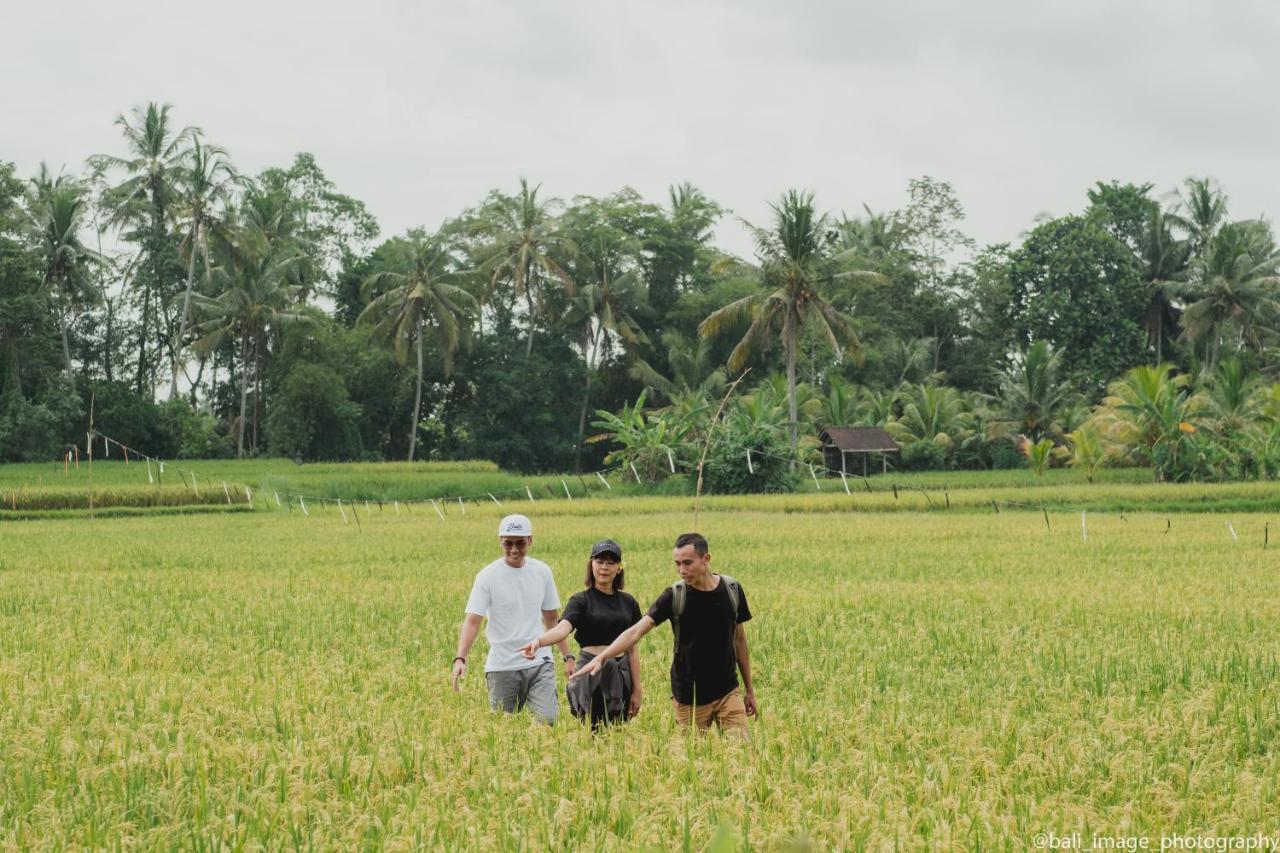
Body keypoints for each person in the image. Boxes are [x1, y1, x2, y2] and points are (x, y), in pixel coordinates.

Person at [571, 532, 756, 737]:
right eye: (677, 564)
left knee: (741, 751)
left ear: (706, 559)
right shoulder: (675, 596)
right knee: (689, 760)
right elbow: (635, 631)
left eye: (687, 563)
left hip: (728, 691)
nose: (682, 570)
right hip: (690, 697)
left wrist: (749, 690)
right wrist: (603, 656)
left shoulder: (732, 589)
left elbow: (739, 640)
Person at [451, 514, 575, 724]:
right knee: (503, 728)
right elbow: (473, 621)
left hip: (539, 661)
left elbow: (553, 621)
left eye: (520, 543)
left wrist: (568, 657)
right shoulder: (487, 576)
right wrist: (460, 659)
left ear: (530, 541)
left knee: (548, 721)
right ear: (500, 541)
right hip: (502, 664)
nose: (514, 549)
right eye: (508, 543)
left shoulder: (542, 572)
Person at [518, 538, 643, 728]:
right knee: (593, 727)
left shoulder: (629, 602)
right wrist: (538, 641)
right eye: (599, 562)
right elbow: (561, 629)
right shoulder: (581, 600)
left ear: (619, 568)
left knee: (618, 729)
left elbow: (632, 649)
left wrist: (637, 689)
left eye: (611, 563)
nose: (604, 567)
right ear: (591, 565)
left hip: (620, 671)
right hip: (590, 670)